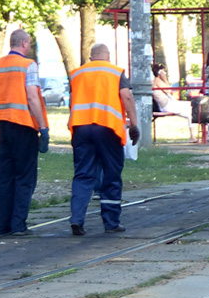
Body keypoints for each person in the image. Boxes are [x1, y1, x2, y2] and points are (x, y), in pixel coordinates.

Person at [68, 43, 139, 235]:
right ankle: (111, 222)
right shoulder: (115, 72)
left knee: (83, 174)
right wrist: (134, 124)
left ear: (91, 58)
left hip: (81, 128)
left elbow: (72, 101)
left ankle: (76, 218)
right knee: (111, 174)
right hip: (108, 128)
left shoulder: (77, 73)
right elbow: (126, 97)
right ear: (108, 57)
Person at [0, 29, 49, 237]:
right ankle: (18, 225)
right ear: (24, 43)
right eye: (29, 43)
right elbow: (32, 97)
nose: (30, 46)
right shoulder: (28, 65)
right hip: (23, 125)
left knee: (5, 176)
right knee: (24, 176)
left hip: (2, 125)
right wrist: (43, 127)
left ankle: (2, 226)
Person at [152, 63, 193, 137]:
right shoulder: (157, 80)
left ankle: (193, 136)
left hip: (168, 104)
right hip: (166, 105)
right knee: (191, 106)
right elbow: (168, 90)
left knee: (190, 112)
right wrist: (164, 79)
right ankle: (193, 135)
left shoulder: (156, 81)